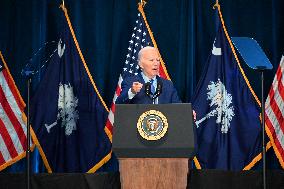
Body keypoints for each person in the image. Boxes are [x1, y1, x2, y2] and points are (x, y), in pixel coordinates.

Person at [116, 46, 181, 104]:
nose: (156, 63)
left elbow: (177, 108)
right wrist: (132, 92)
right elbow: (119, 103)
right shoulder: (130, 82)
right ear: (141, 64)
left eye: (158, 60)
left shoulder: (168, 84)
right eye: (151, 60)